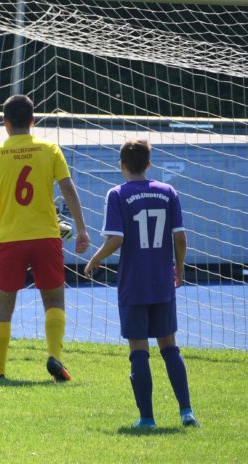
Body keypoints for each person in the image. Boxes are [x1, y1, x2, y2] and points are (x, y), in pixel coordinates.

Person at [84, 138, 198, 428]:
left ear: (122, 165)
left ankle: (147, 418)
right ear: (149, 164)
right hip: (162, 280)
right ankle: (186, 412)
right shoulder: (168, 192)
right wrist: (179, 270)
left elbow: (117, 238)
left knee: (138, 348)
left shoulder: (117, 194)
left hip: (134, 282)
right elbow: (180, 238)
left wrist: (95, 259)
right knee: (169, 345)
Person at [0, 94, 90, 382]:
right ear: (32, 121)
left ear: (5, 123)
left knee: (3, 304)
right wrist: (82, 227)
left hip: (9, 238)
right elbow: (68, 189)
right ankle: (55, 356)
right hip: (45, 237)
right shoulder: (50, 149)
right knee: (54, 300)